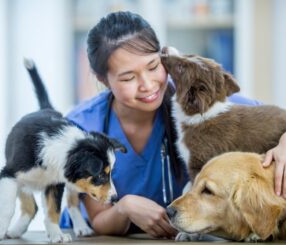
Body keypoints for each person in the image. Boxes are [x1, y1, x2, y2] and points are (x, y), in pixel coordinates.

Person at [61, 11, 286, 238]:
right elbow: (99, 221)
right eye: (129, 78)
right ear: (103, 80)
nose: (148, 85)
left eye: (153, 66)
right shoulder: (81, 126)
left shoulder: (198, 102)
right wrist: (124, 207)